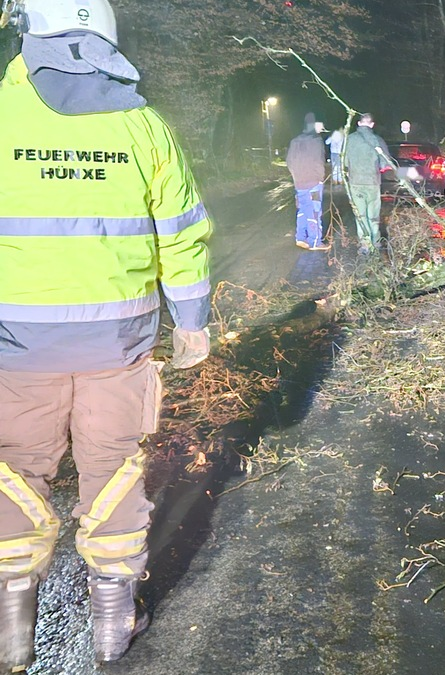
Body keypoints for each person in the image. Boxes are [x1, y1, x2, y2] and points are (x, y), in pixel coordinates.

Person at [0, 0, 212, 668]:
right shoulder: (145, 126)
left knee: (12, 471)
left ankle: (11, 631)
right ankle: (113, 630)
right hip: (116, 350)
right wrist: (193, 325)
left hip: (15, 350)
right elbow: (182, 236)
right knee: (116, 472)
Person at [343, 112, 391, 254]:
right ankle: (376, 242)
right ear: (372, 124)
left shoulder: (349, 140)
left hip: (355, 182)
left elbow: (344, 162)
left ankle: (365, 244)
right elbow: (385, 164)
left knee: (360, 215)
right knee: (373, 215)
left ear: (358, 124)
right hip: (372, 183)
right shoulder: (378, 140)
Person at [285, 112, 328, 251]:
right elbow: (318, 162)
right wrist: (320, 179)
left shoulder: (294, 141)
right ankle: (315, 241)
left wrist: (295, 177)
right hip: (313, 182)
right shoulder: (316, 141)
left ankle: (300, 237)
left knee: (303, 209)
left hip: (299, 183)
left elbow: (289, 162)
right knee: (314, 211)